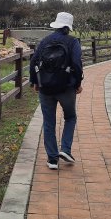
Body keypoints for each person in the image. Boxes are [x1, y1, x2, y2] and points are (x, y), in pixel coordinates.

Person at [30, 12, 83, 170]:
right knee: (70, 117)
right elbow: (77, 63)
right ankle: (65, 149)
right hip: (66, 87)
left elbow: (33, 61)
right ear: (68, 27)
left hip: (45, 88)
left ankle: (52, 159)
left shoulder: (45, 40)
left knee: (49, 122)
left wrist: (35, 81)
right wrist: (78, 83)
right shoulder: (73, 42)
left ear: (57, 24)